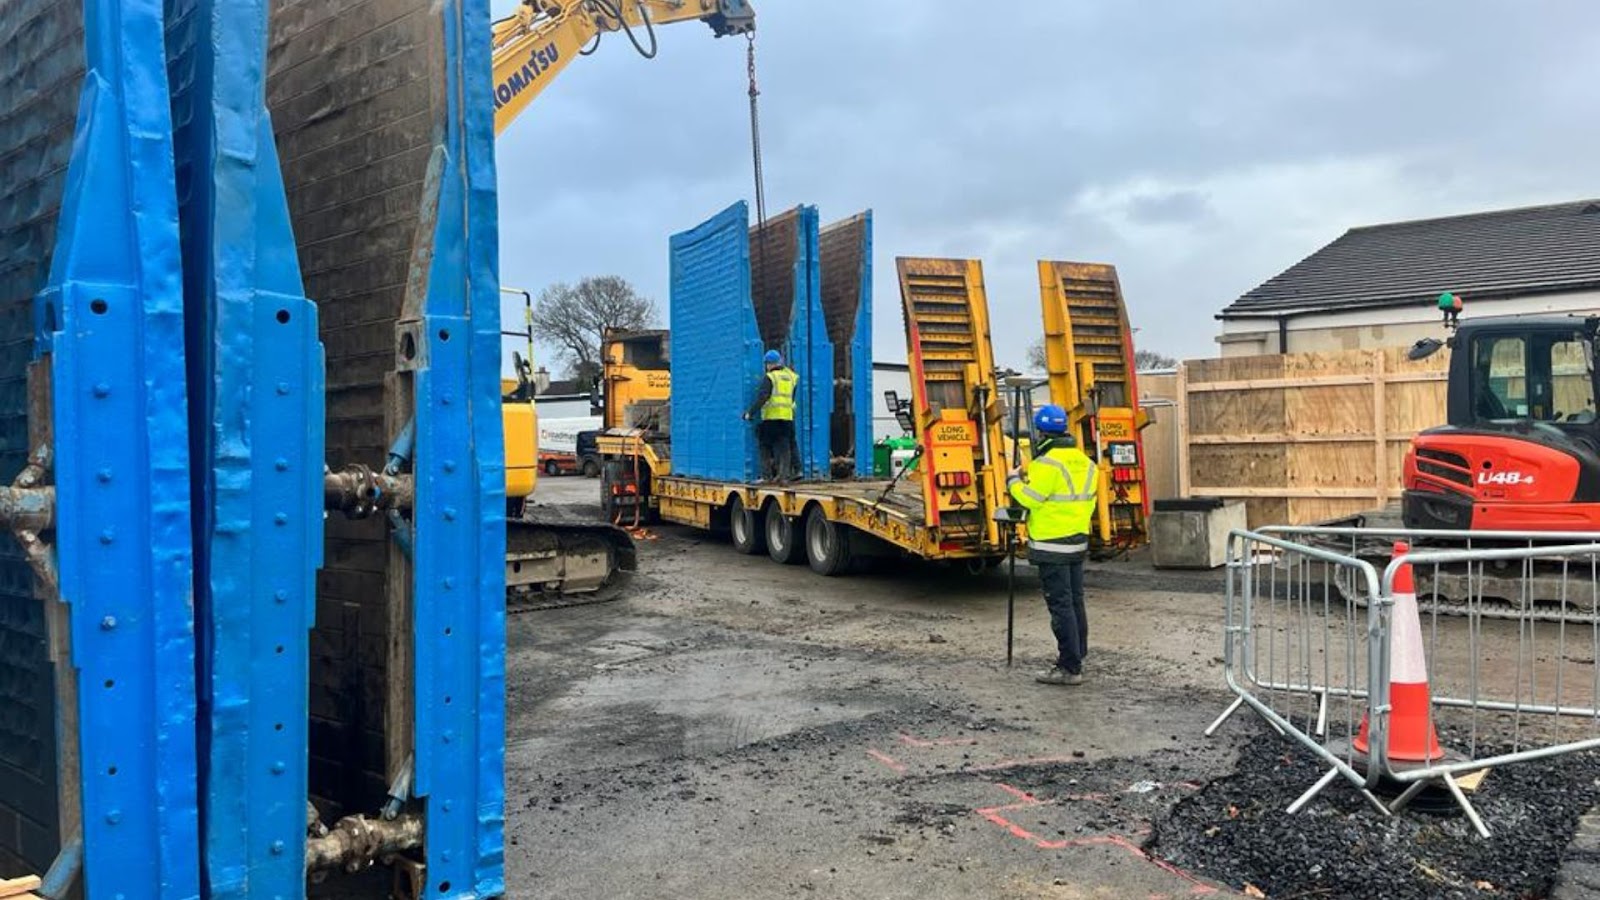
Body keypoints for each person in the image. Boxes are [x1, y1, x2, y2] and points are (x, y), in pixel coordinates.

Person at [1007, 404, 1098, 686]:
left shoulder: (1047, 464)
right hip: (1076, 542)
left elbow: (1030, 498)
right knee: (1075, 601)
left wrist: (1013, 482)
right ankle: (1078, 654)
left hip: (1052, 545)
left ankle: (1069, 667)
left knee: (1060, 605)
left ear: (1041, 432)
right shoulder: (1085, 461)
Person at [743, 349, 799, 482]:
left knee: (764, 446)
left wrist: (750, 412)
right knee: (785, 447)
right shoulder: (792, 377)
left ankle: (766, 476)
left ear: (768, 364)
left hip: (771, 418)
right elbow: (792, 398)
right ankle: (784, 476)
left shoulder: (770, 377)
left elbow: (763, 397)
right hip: (787, 418)